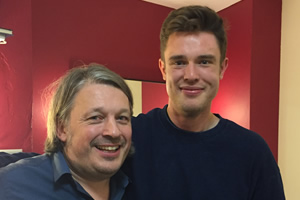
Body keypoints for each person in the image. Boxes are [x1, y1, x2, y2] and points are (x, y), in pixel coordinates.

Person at [122, 5, 285, 200]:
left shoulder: (253, 153)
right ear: (163, 69)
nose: (191, 75)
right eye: (179, 62)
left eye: (204, 62)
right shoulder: (129, 137)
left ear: (222, 68)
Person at [0, 64, 134, 200]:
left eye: (122, 118)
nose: (113, 131)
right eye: (96, 118)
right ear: (61, 128)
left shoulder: (134, 185)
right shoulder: (11, 186)